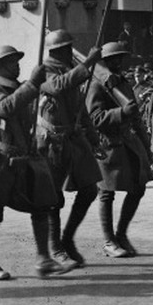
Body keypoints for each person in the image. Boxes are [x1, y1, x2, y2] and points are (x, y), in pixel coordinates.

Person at [0, 45, 70, 279]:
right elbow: (6, 107)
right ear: (0, 66)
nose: (18, 65)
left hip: (26, 158)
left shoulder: (22, 87)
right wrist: (32, 85)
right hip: (1, 158)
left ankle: (43, 259)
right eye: (12, 62)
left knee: (41, 206)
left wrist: (39, 83)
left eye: (17, 61)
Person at [36, 29, 103, 270]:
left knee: (89, 190)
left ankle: (67, 238)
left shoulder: (69, 71)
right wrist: (89, 63)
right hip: (52, 142)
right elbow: (58, 87)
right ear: (57, 51)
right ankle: (56, 248)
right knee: (53, 198)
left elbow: (79, 108)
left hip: (73, 139)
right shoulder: (43, 70)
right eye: (67, 49)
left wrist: (94, 139)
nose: (69, 53)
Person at [85, 42, 152, 258]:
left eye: (120, 57)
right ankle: (108, 241)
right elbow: (94, 118)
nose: (119, 61)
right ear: (104, 61)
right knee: (106, 193)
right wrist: (121, 112)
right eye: (114, 58)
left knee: (138, 187)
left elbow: (136, 115)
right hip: (107, 144)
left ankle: (121, 234)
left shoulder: (122, 82)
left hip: (129, 142)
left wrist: (145, 143)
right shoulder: (96, 85)